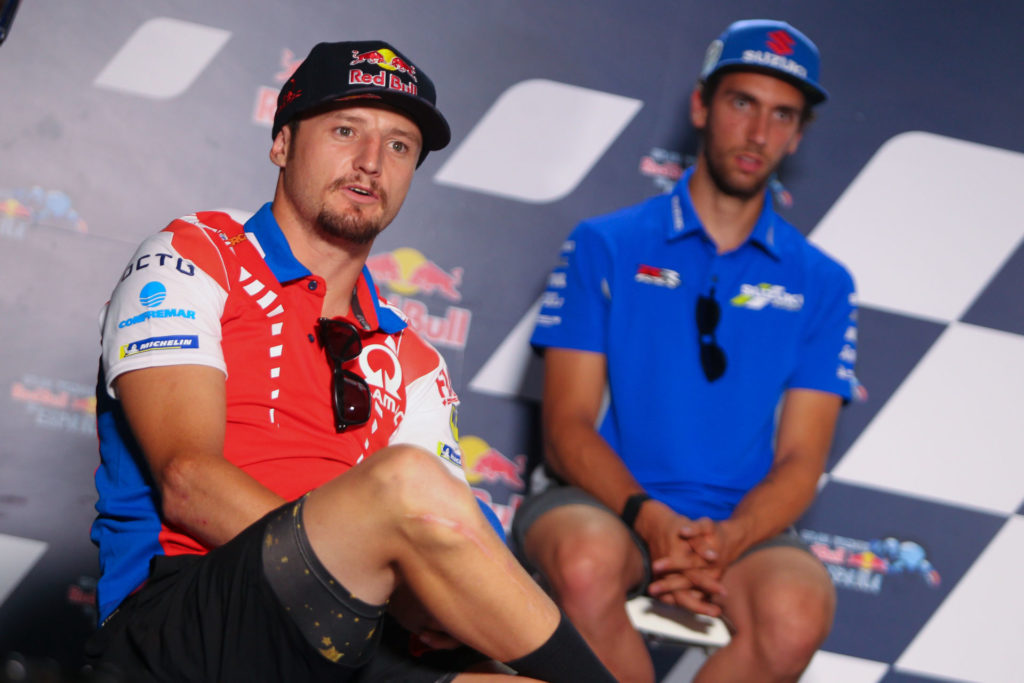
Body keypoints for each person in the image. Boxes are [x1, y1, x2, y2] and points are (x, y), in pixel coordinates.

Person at [85, 40, 615, 683]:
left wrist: (413, 594)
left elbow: (450, 561)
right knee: (410, 483)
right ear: (281, 142)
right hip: (185, 618)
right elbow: (189, 482)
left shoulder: (412, 359)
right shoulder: (195, 255)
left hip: (346, 635)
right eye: (344, 131)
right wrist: (374, 567)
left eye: (399, 146)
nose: (370, 163)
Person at [512, 19, 860, 683]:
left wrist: (725, 538)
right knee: (585, 562)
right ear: (702, 105)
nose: (758, 133)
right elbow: (566, 429)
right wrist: (653, 518)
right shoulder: (606, 243)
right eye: (741, 103)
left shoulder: (824, 283)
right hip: (603, 506)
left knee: (797, 607)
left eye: (782, 114)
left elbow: (801, 458)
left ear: (798, 133)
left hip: (739, 533)